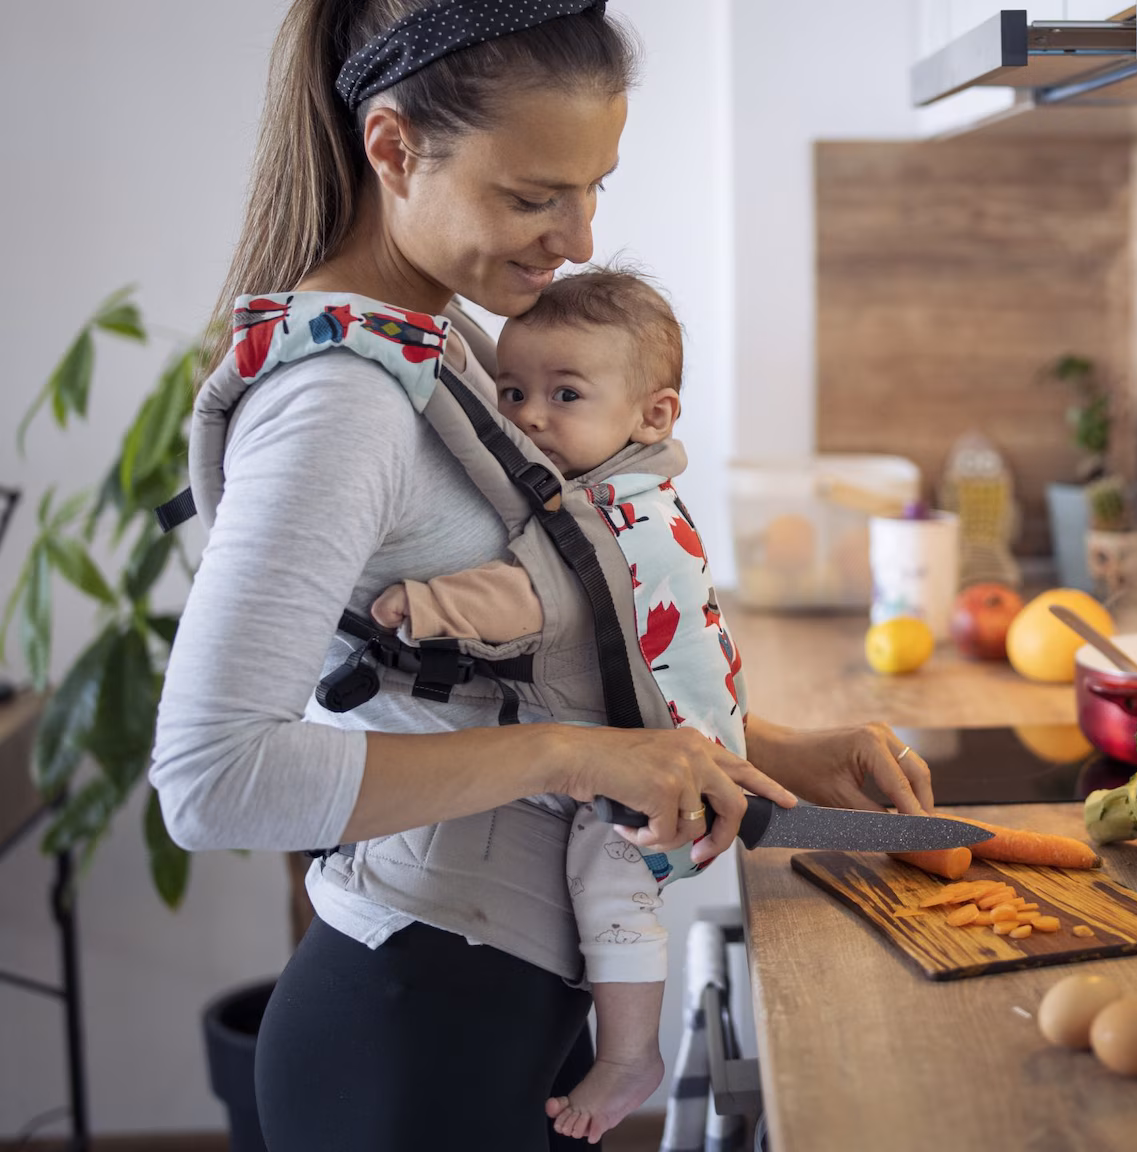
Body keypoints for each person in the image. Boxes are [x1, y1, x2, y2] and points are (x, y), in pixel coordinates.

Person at [148, 3, 933, 1150]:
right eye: (532, 197)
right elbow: (209, 779)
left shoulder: (452, 345)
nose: (574, 236)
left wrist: (762, 748)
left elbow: (531, 669)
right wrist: (582, 756)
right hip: (406, 1040)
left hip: (495, 1008)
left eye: (593, 186)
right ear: (393, 147)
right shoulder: (340, 403)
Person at [367, 265, 739, 1143]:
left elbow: (533, 596)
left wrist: (422, 604)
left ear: (653, 414)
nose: (530, 415)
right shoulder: (632, 487)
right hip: (683, 733)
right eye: (514, 390)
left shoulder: (618, 515)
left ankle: (631, 1053)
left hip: (667, 766)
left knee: (606, 875)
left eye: (565, 393)